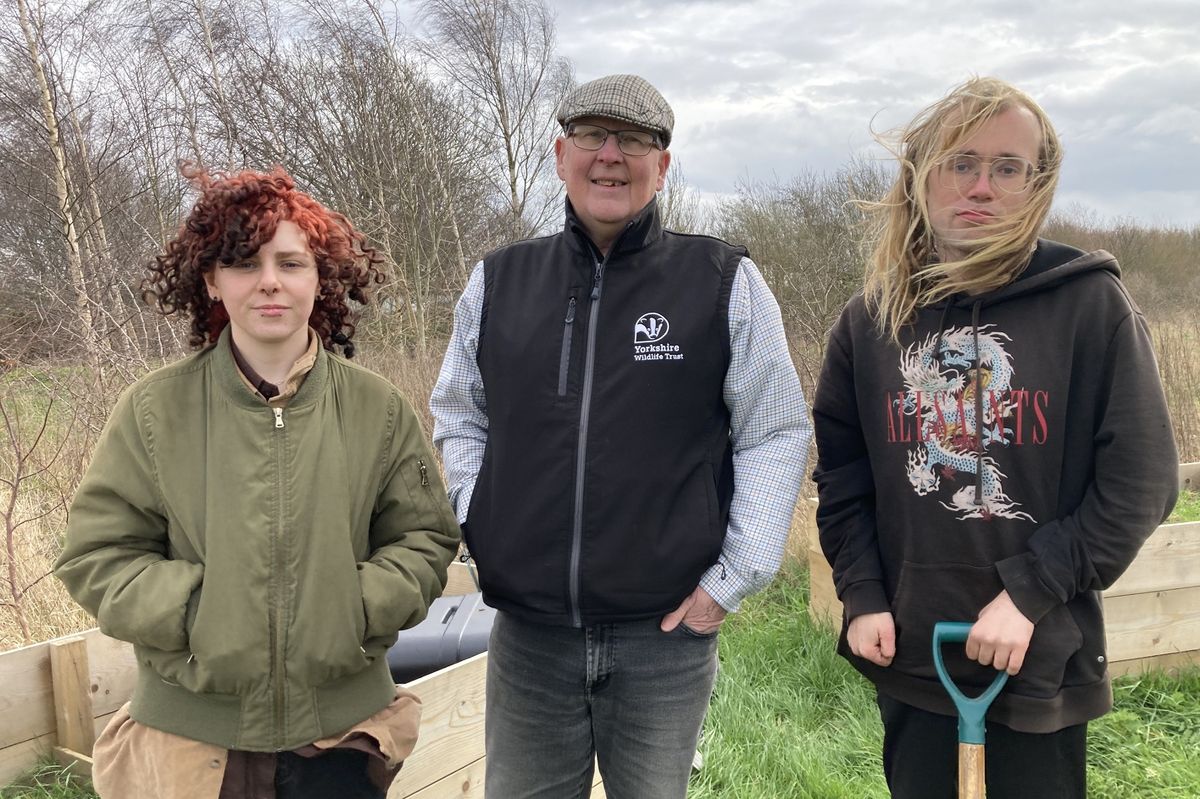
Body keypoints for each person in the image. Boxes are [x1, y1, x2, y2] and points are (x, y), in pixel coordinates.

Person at [431, 73, 811, 798]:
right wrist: (480, 520)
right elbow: (458, 411)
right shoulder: (497, 282)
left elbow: (775, 430)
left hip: (664, 637)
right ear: (559, 154)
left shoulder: (724, 280)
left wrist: (731, 581)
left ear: (661, 165)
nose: (610, 155)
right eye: (590, 136)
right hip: (528, 640)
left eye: (634, 139)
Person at [812, 76, 1179, 799]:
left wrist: (1030, 593)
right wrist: (861, 594)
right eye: (961, 162)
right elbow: (845, 480)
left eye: (1007, 167)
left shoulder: (1088, 305)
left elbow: (1143, 480)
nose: (981, 185)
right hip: (915, 658)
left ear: (1035, 184)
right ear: (921, 175)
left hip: (1038, 659)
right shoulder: (871, 321)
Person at [54, 165, 462, 799]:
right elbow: (96, 556)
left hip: (343, 743)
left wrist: (353, 607)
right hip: (190, 749)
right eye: (245, 263)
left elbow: (424, 540)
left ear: (320, 277)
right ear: (213, 281)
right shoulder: (153, 411)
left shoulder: (377, 409)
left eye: (291, 263)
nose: (269, 282)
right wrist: (201, 611)